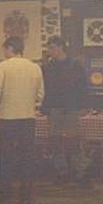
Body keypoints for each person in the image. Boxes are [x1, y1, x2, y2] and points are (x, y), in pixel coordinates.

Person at [0, 36, 44, 204]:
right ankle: (26, 196)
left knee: (5, 157)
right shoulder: (35, 67)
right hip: (27, 117)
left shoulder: (4, 66)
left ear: (10, 48)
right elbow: (40, 95)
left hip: (7, 117)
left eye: (5, 49)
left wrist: (4, 100)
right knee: (27, 157)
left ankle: (5, 195)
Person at [41, 37, 90, 186]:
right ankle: (61, 172)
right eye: (49, 48)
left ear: (61, 47)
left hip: (71, 107)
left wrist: (83, 106)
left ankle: (80, 173)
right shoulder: (48, 67)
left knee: (74, 141)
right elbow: (46, 89)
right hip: (55, 107)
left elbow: (83, 86)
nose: (50, 51)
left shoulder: (75, 65)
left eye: (52, 48)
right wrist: (45, 107)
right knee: (55, 141)